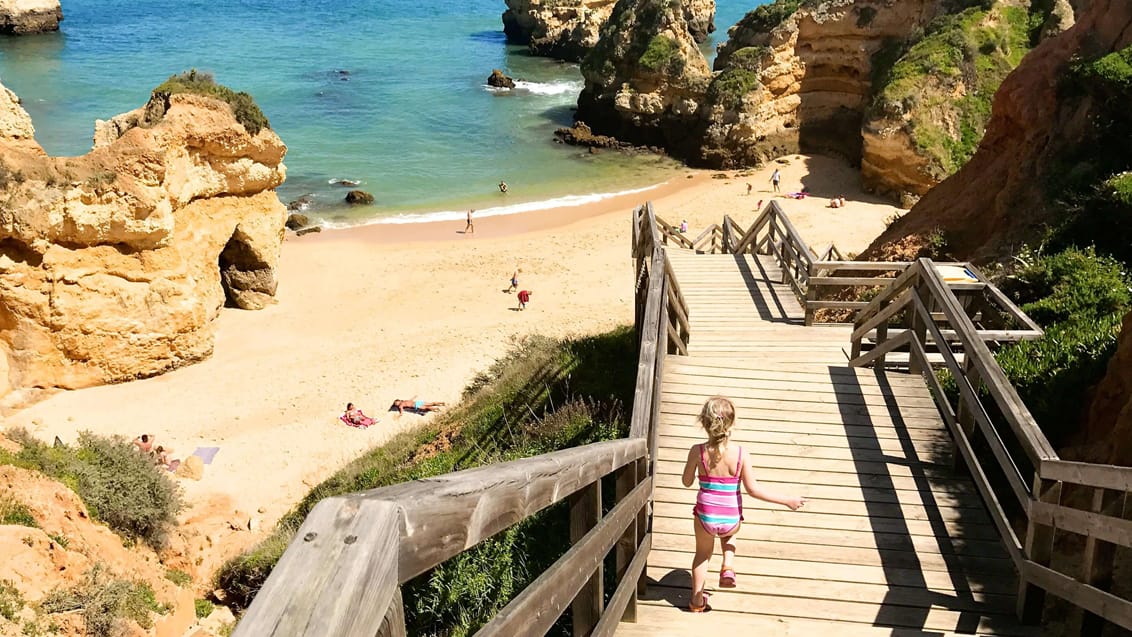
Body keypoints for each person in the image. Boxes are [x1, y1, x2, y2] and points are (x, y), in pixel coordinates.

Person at [681, 396, 805, 613]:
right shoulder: (741, 454)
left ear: (703, 422)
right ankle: (728, 564)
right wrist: (787, 500)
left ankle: (697, 601)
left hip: (705, 516)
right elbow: (753, 490)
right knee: (731, 530)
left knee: (702, 554)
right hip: (730, 517)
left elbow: (686, 482)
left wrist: (695, 471)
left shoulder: (697, 451)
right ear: (732, 423)